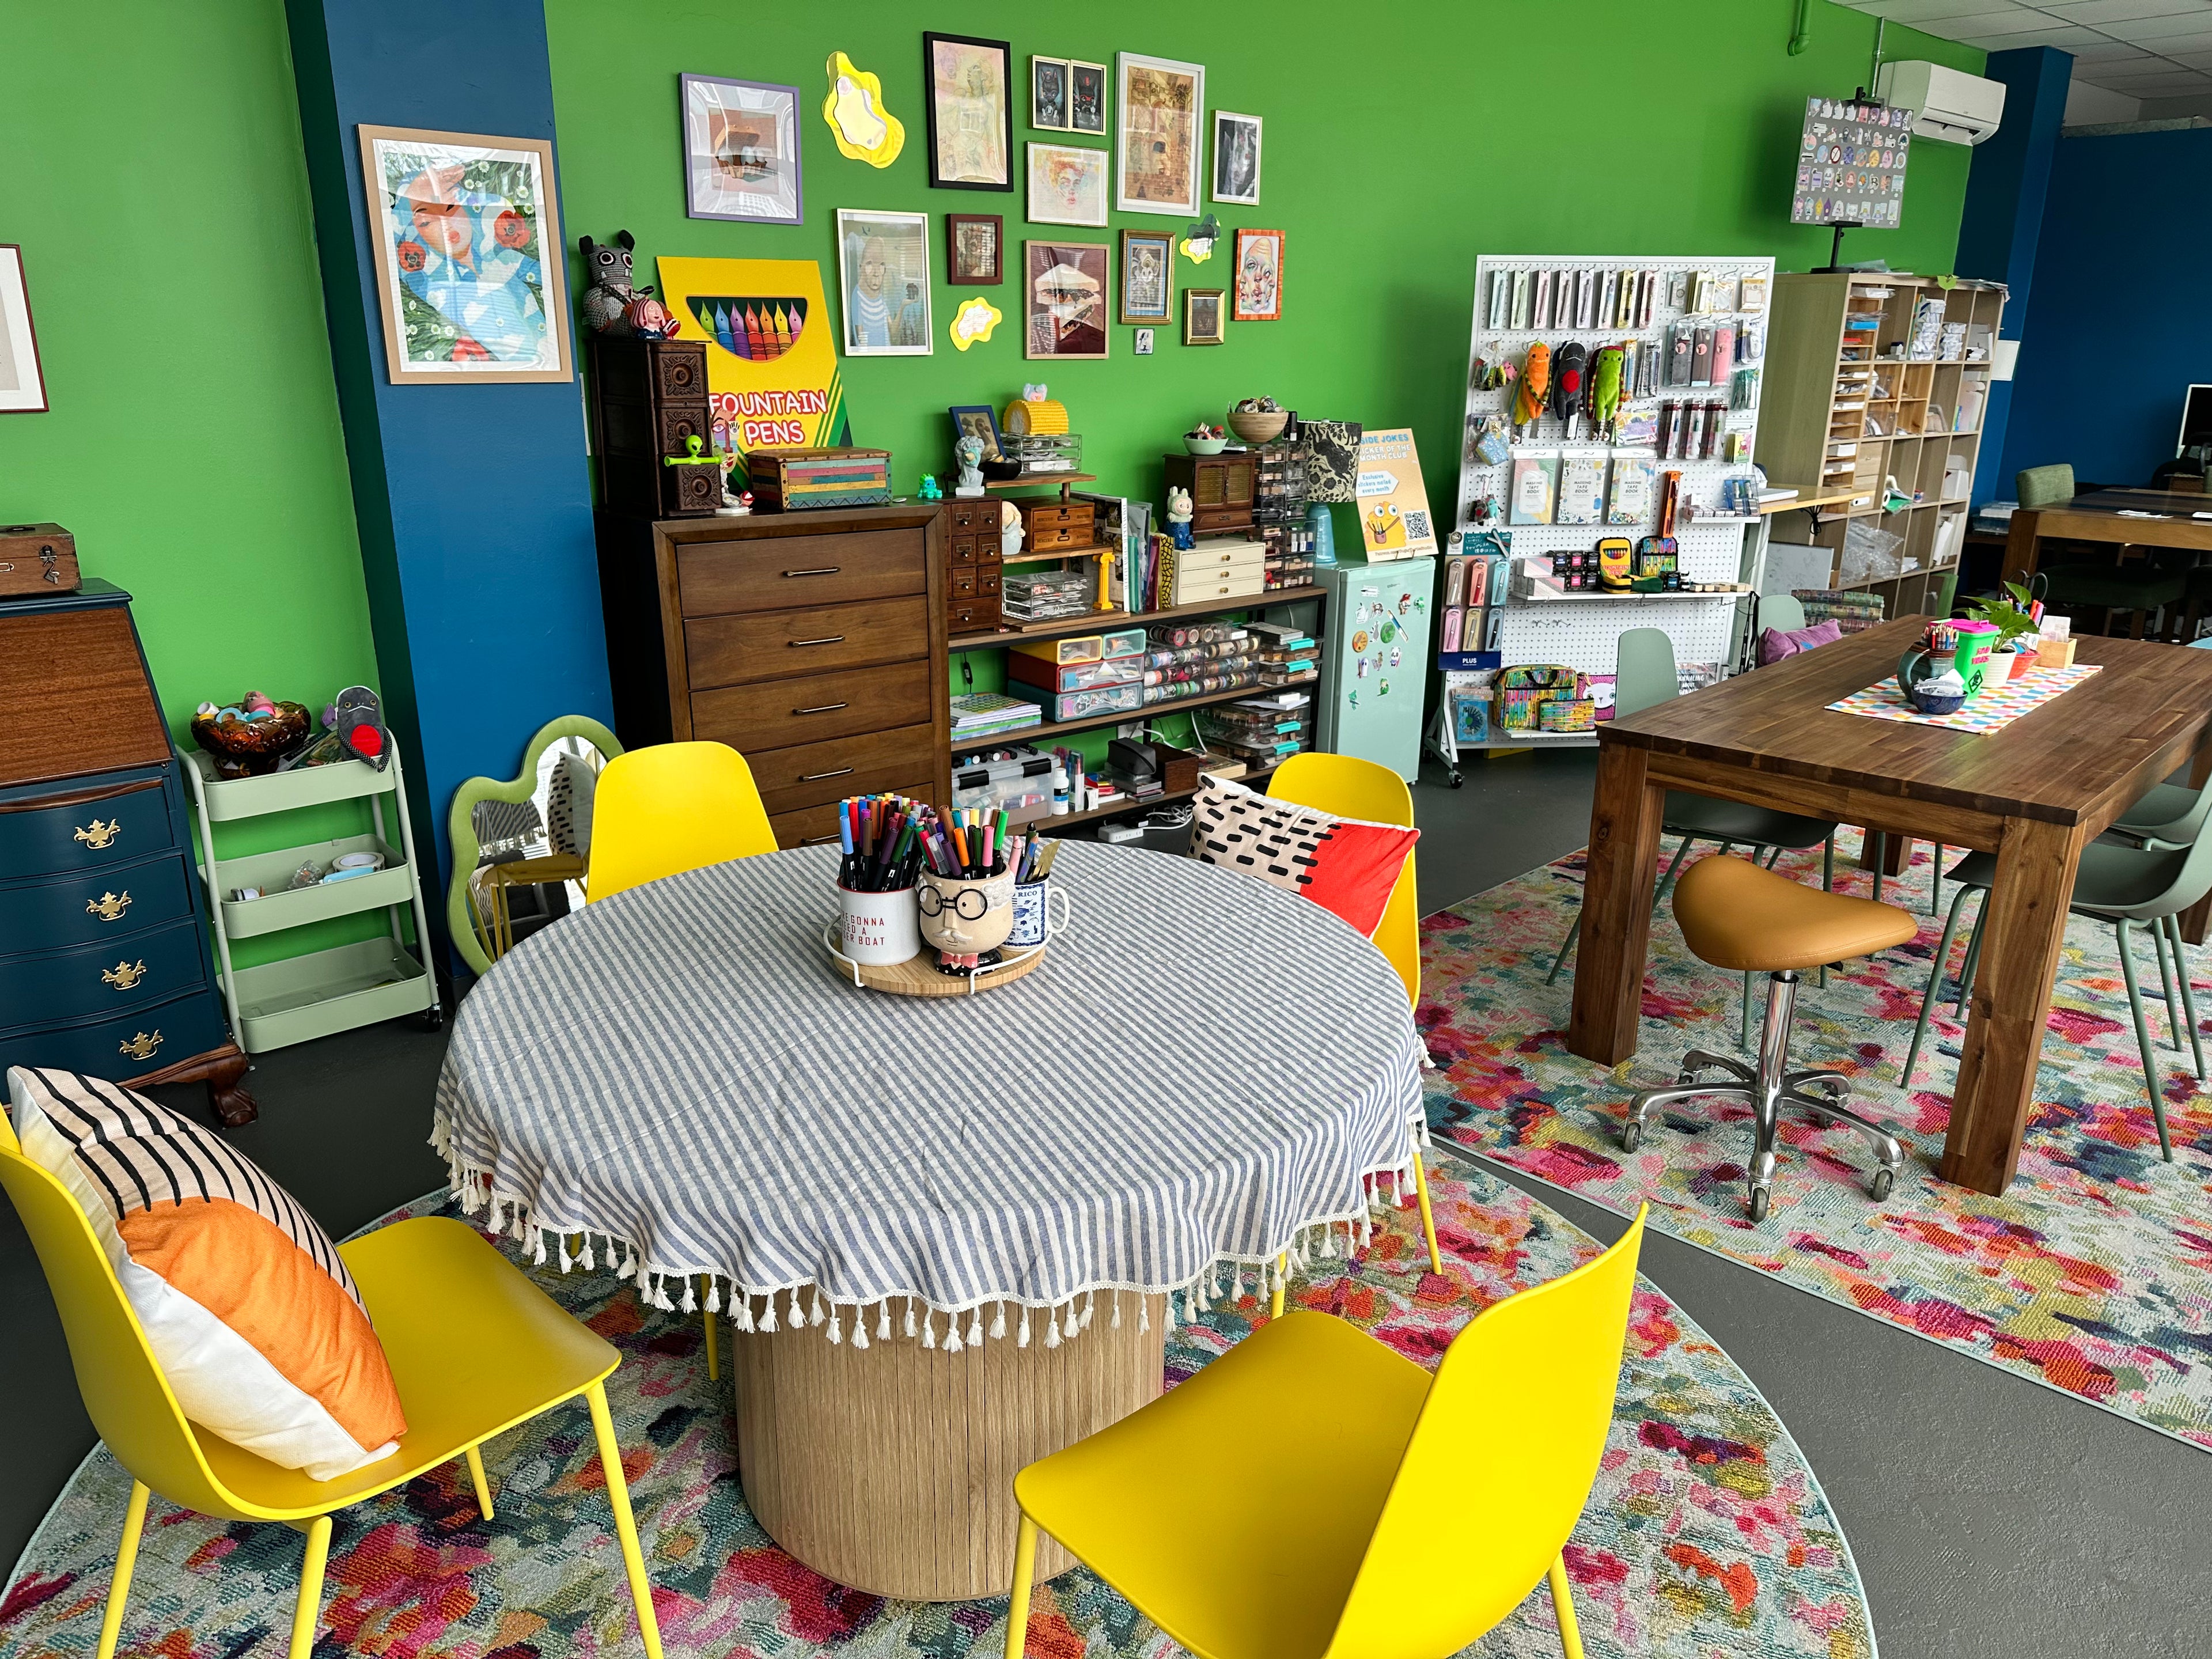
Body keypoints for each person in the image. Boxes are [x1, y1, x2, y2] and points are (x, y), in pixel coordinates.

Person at [848, 235, 893, 348]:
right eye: (870, 264)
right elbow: (861, 337)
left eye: (881, 265)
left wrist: (903, 306)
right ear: (861, 267)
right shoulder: (857, 296)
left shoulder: (880, 299)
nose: (876, 273)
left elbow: (892, 331)